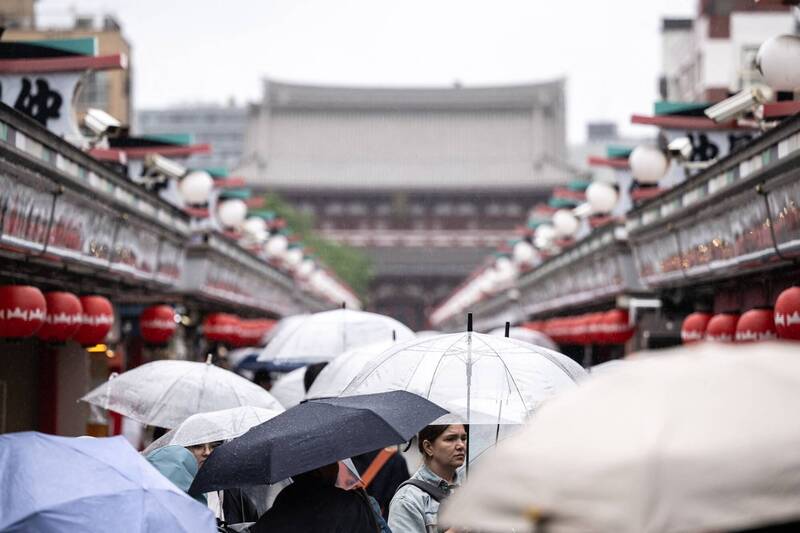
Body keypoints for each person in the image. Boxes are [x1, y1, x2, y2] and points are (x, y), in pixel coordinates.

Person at [249, 463, 380, 533]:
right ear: (321, 469)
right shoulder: (352, 506)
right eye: (333, 461)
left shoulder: (273, 516)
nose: (337, 467)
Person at [388, 424, 467, 533]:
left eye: (464, 438)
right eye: (450, 439)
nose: (461, 445)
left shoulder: (470, 489)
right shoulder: (408, 500)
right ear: (428, 447)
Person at [186, 441, 260, 525]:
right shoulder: (174, 491)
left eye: (215, 446)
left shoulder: (236, 495)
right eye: (198, 446)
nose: (207, 452)